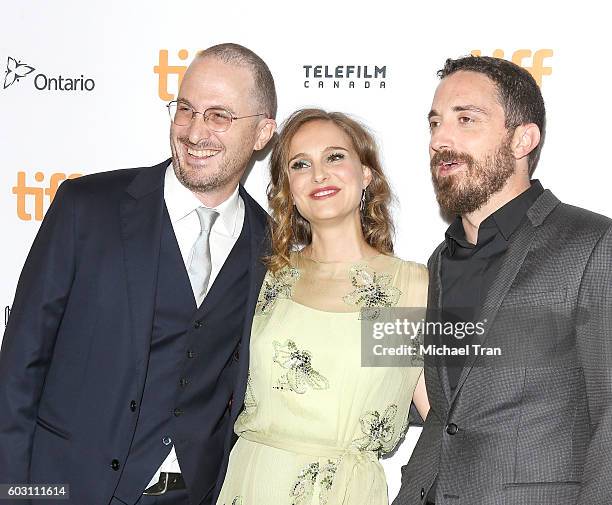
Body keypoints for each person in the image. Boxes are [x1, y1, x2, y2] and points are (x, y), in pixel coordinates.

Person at [0, 43, 277, 505]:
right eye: (185, 110)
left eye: (219, 116)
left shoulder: (271, 245)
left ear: (262, 132)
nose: (194, 131)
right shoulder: (86, 207)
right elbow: (19, 367)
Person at [395, 56, 612, 505]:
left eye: (466, 119)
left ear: (522, 139)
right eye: (434, 123)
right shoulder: (438, 261)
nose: (440, 139)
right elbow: (447, 413)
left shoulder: (593, 244)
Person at [215, 108, 429, 505]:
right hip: (251, 482)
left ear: (366, 174)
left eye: (335, 157)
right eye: (300, 164)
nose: (319, 174)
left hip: (345, 492)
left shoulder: (411, 288)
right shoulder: (265, 277)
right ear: (288, 190)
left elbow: (442, 420)